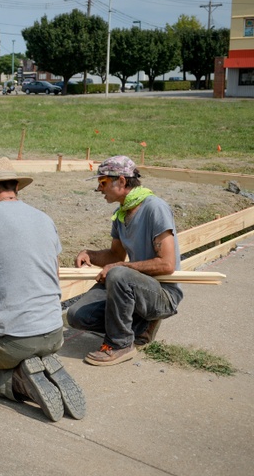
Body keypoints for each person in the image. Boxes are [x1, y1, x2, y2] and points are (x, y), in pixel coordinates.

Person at [0, 157, 85, 421]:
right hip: (55, 333)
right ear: (16, 187)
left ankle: (18, 381)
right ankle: (41, 363)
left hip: (14, 341)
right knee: (23, 345)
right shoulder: (44, 219)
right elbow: (53, 277)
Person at [67, 155, 184, 366]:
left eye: (102, 182)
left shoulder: (154, 208)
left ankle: (119, 344)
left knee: (118, 274)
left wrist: (120, 267)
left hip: (162, 292)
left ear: (121, 181)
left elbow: (167, 264)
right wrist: (90, 254)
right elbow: (115, 256)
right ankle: (140, 326)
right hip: (134, 284)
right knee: (77, 316)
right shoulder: (121, 213)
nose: (99, 189)